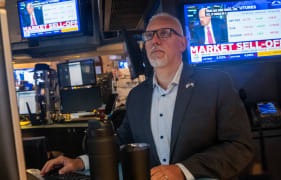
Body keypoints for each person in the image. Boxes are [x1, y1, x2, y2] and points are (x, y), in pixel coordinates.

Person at [41, 13, 254, 180]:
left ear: (183, 43)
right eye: (149, 35)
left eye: (165, 33)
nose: (154, 41)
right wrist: (81, 162)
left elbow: (239, 147)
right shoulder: (137, 96)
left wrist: (183, 170)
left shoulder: (216, 83)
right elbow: (124, 142)